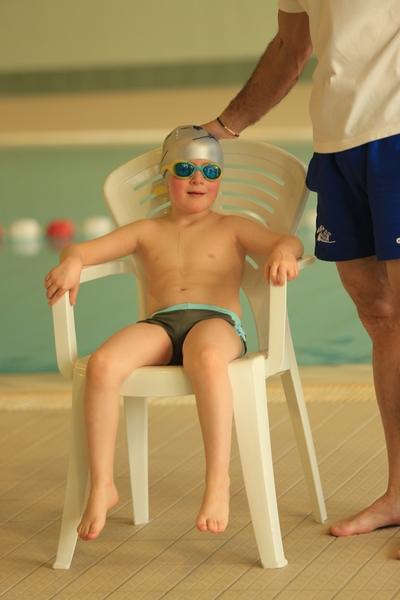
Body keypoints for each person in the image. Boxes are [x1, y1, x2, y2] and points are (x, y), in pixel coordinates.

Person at [44, 125, 303, 541]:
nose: (198, 179)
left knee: (206, 356)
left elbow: (287, 242)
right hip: (161, 325)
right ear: (165, 177)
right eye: (185, 169)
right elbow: (83, 249)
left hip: (217, 323)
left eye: (209, 171)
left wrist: (284, 255)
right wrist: (72, 262)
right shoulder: (146, 230)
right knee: (103, 364)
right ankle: (103, 484)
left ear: (219, 179)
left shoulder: (233, 227)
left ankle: (217, 481)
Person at [202, 1, 400, 540]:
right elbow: (293, 45)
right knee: (380, 315)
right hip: (338, 143)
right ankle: (398, 492)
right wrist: (223, 126)